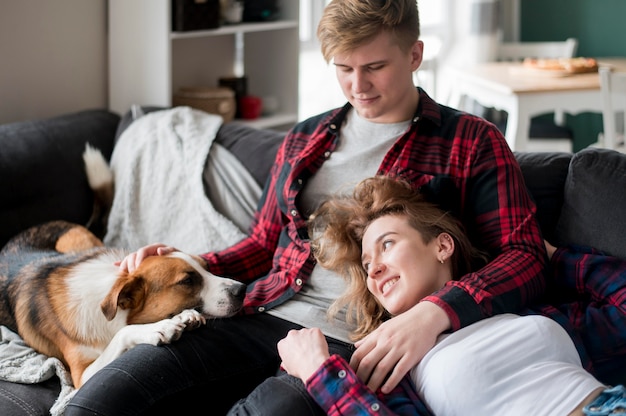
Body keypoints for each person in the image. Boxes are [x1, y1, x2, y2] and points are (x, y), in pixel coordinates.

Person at [63, 0, 548, 414]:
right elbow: (260, 246)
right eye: (343, 68)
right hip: (261, 315)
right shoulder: (304, 137)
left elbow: (526, 256)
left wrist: (436, 313)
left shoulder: (470, 142)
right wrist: (187, 265)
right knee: (102, 400)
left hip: (355, 346)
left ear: (415, 54)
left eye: (375, 66)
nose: (358, 85)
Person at [275, 175, 626, 416]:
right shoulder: (393, 371)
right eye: (367, 266)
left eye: (387, 245)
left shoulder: (527, 312)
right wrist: (317, 372)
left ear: (442, 245)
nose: (375, 270)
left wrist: (552, 256)